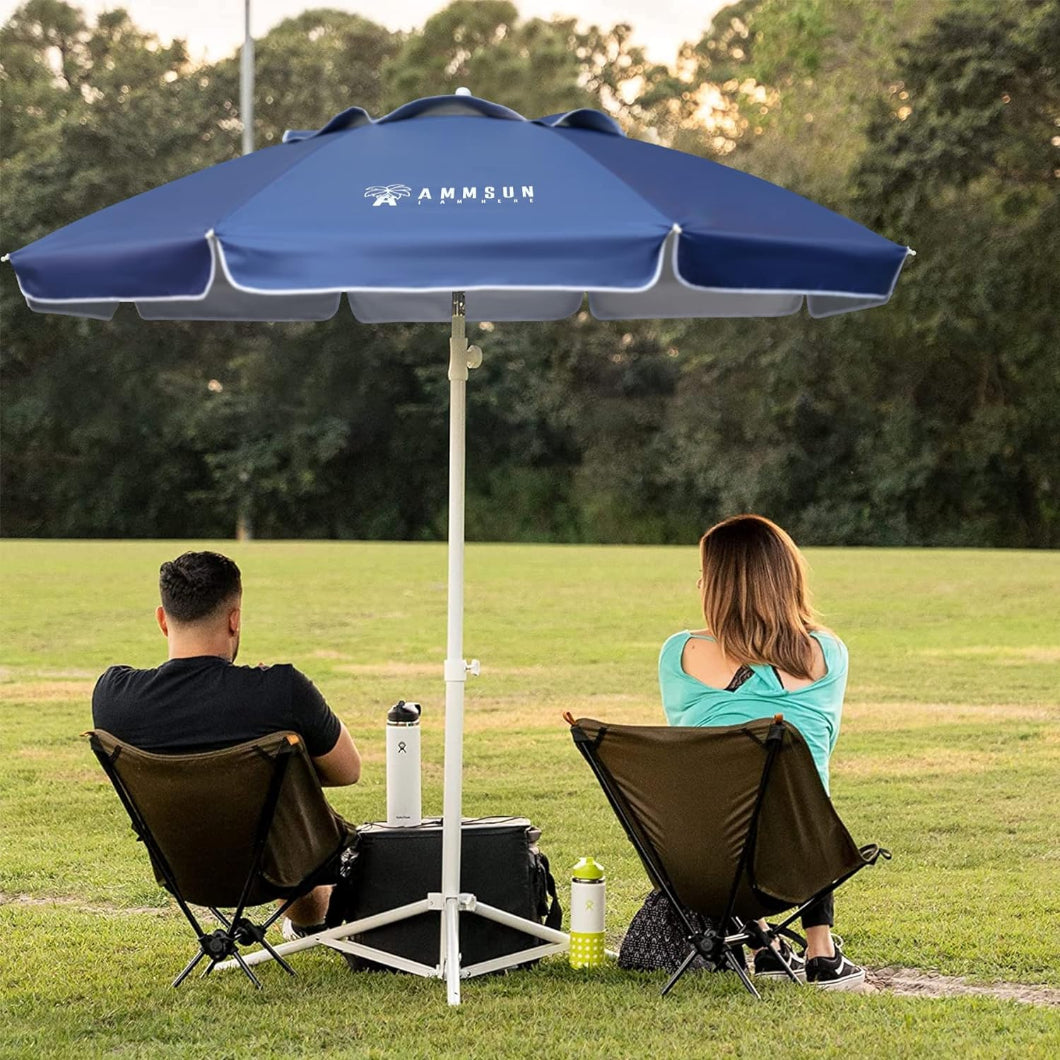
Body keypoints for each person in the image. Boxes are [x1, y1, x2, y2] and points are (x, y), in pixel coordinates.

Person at [92, 550, 361, 938]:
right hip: (276, 868)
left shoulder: (112, 696)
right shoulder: (280, 691)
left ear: (163, 621)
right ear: (234, 619)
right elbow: (347, 770)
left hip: (184, 873)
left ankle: (308, 921)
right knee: (290, 818)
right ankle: (310, 922)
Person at [658, 513, 865, 990]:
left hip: (703, 858)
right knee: (799, 797)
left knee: (730, 788)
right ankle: (821, 951)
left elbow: (691, 745)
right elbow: (821, 748)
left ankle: (765, 944)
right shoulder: (829, 653)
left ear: (717, 587)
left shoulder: (679, 654)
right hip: (799, 853)